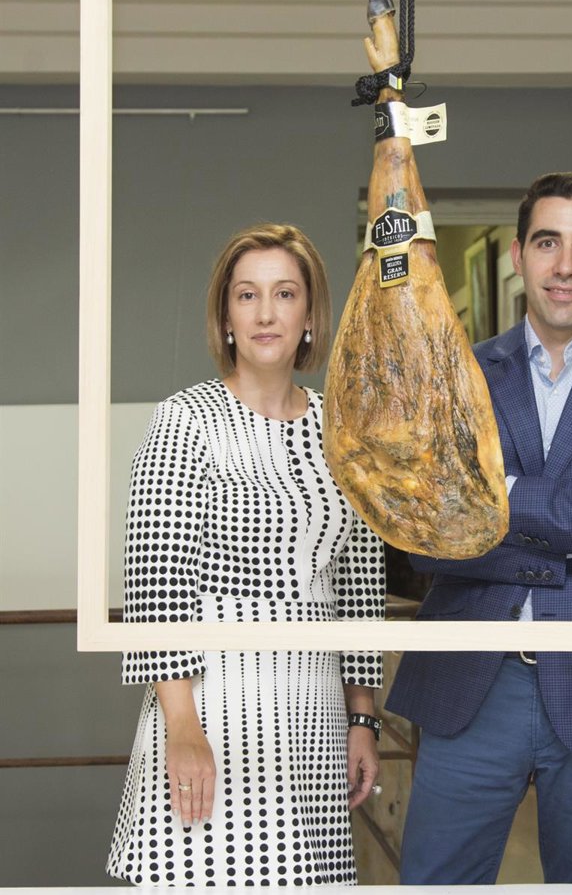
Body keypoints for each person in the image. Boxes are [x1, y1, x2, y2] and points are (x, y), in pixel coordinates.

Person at [386, 171, 572, 884]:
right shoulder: (455, 376)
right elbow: (426, 537)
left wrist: (498, 496)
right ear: (520, 253)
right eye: (548, 242)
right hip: (471, 682)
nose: (565, 265)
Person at [107, 223, 386, 886]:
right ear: (226, 316)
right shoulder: (185, 419)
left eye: (284, 294)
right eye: (247, 295)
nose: (265, 313)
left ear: (310, 316)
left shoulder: (344, 428)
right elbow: (155, 582)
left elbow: (361, 587)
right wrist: (181, 725)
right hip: (214, 700)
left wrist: (363, 717)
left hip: (315, 707)